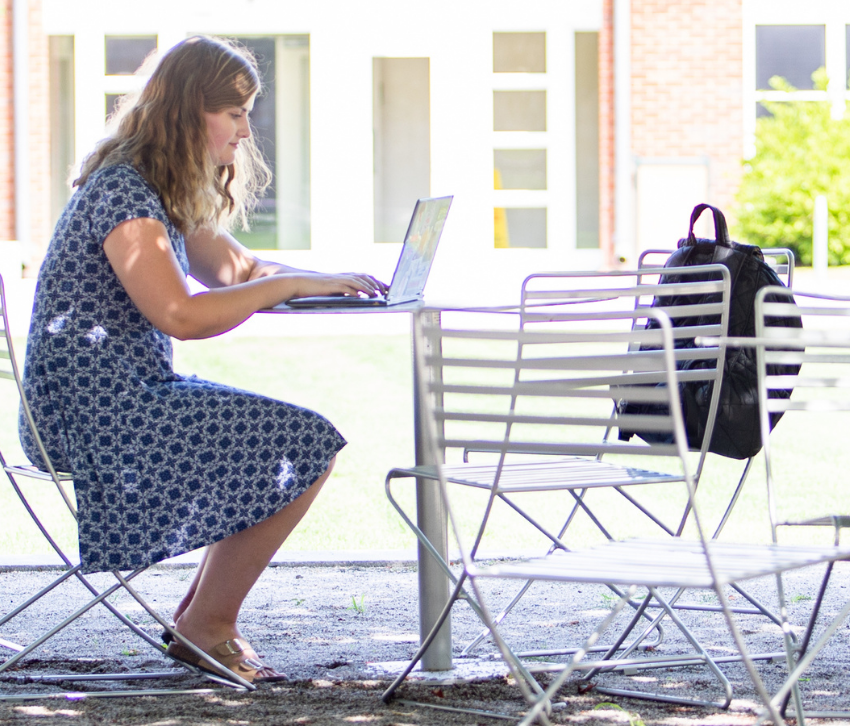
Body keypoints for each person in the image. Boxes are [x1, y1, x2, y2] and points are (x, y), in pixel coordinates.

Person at [19, 35, 388, 683]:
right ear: (190, 112)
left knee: (286, 438)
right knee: (302, 440)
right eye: (235, 112)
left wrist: (324, 278)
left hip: (127, 397)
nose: (246, 131)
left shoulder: (157, 188)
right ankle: (206, 626)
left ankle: (201, 623)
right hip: (91, 416)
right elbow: (181, 315)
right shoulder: (124, 193)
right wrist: (289, 287)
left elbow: (234, 269)